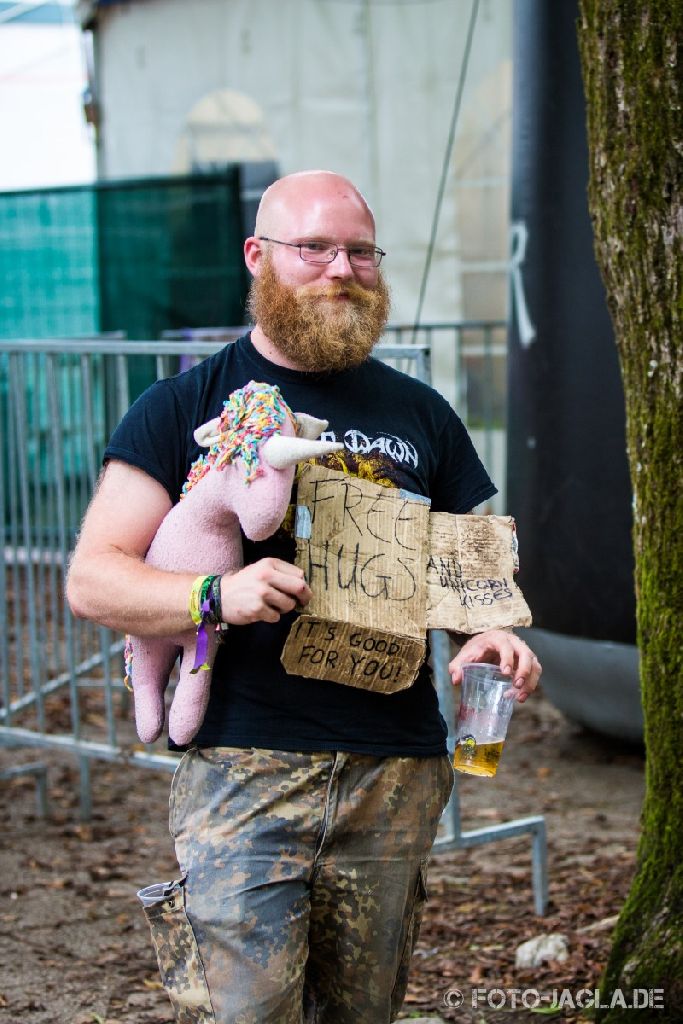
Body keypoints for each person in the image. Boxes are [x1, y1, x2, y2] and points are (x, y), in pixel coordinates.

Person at [67, 170, 542, 1024]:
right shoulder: (183, 406)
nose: (341, 269)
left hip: (393, 774)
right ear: (258, 256)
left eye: (360, 251)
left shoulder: (420, 413)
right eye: (313, 248)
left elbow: (476, 571)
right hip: (245, 776)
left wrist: (493, 633)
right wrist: (216, 593)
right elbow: (94, 577)